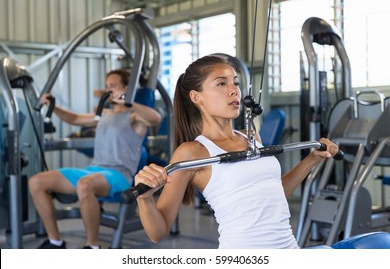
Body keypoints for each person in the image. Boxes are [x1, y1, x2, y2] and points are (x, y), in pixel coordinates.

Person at [133, 54, 340, 249]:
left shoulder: (250, 137)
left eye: (235, 83)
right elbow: (157, 232)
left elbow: (275, 192)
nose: (234, 91)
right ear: (196, 97)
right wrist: (145, 198)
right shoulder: (192, 152)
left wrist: (312, 159)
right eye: (221, 83)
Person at [28, 69, 161, 249]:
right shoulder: (104, 114)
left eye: (113, 86)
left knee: (85, 184)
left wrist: (128, 101)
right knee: (36, 182)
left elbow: (155, 118)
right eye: (107, 86)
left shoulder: (135, 117)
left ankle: (93, 247)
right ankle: (55, 241)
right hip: (93, 170)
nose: (108, 90)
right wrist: (53, 105)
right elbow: (74, 118)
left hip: (119, 175)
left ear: (126, 88)